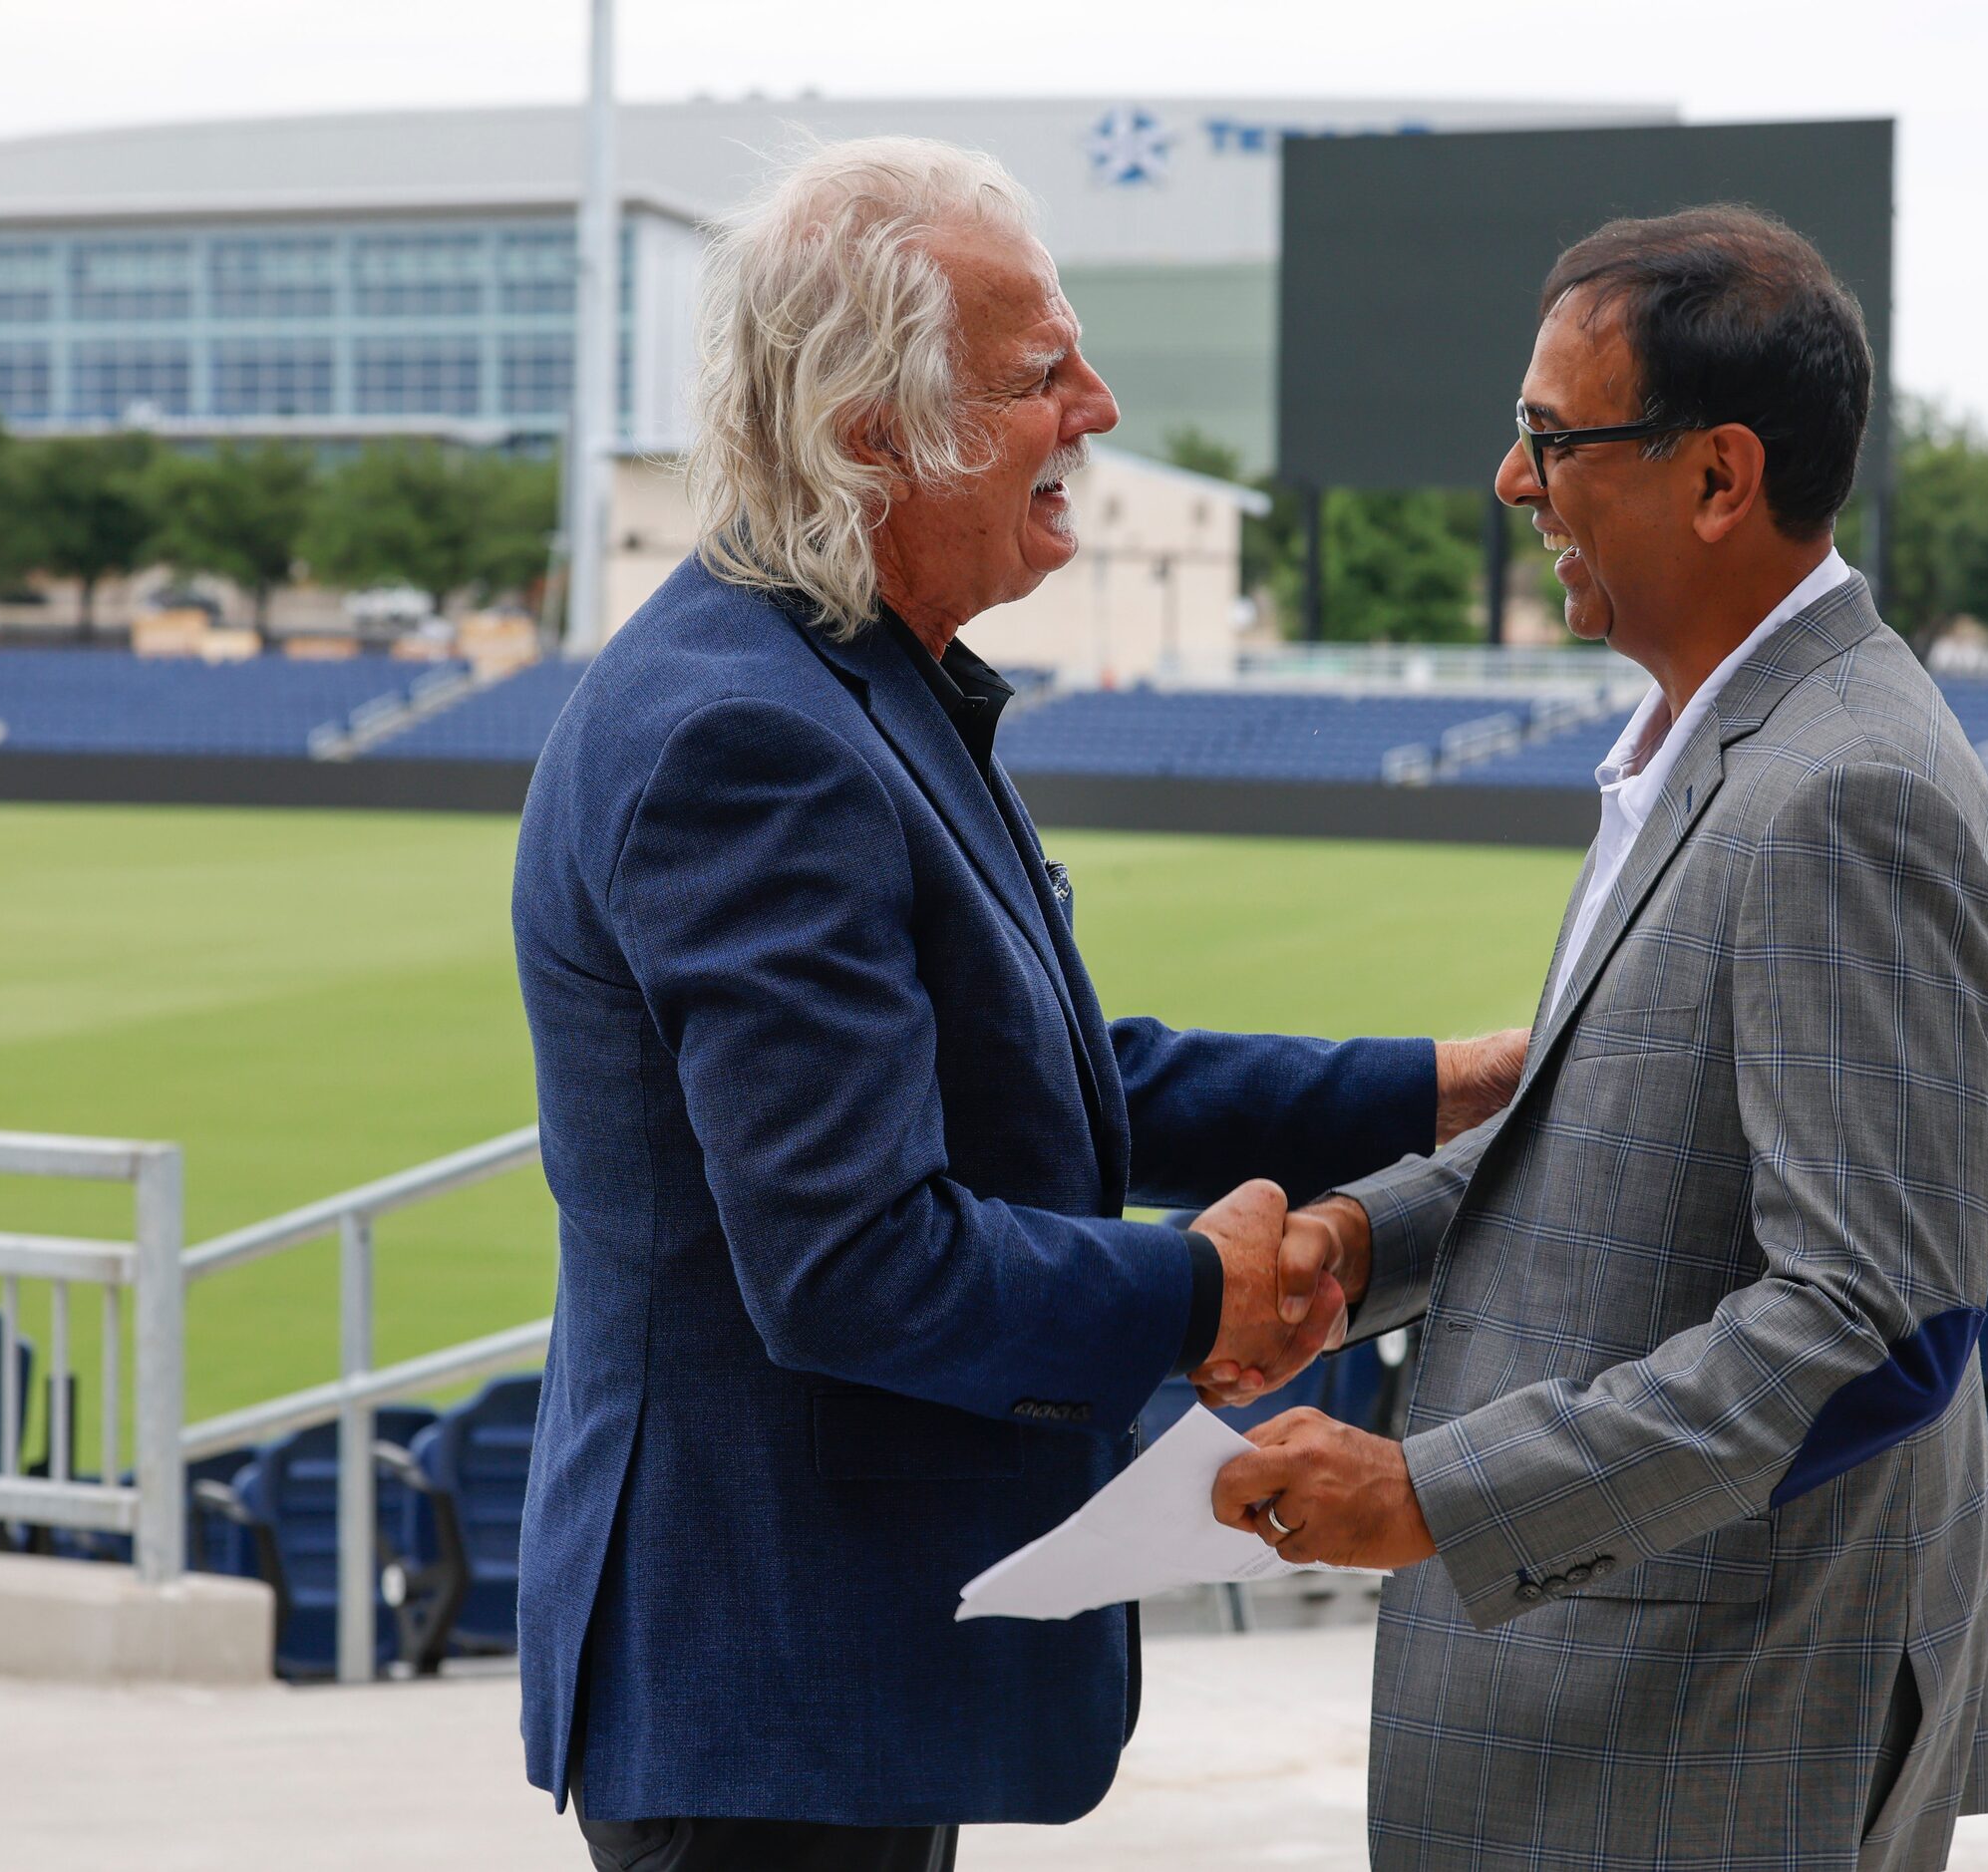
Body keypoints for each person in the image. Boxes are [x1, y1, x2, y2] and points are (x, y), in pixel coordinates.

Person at [510, 137, 1526, 1871]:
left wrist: (1429, 1086)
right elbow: (854, 1259)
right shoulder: (746, 738)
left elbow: (1049, 1077)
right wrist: (1205, 1283)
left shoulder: (842, 675)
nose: (1104, 407)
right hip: (767, 1691)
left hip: (823, 1679)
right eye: (1043, 372)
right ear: (867, 432)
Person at [1203, 205, 1988, 1871]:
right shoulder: (1718, 737)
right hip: (1635, 1725)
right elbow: (1621, 1136)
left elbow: (1865, 1327)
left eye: (1548, 439)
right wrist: (1363, 1243)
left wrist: (1435, 1495)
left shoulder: (1840, 790)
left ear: (1718, 478)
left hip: (1703, 1744)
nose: (1513, 483)